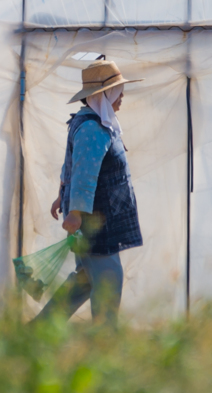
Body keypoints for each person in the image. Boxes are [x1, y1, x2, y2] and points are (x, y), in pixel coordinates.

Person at [32, 59, 144, 325]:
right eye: (117, 91)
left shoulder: (97, 125)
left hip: (95, 218)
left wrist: (63, 194)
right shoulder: (93, 128)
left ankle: (40, 329)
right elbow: (84, 172)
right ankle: (104, 341)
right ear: (102, 95)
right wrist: (75, 212)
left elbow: (72, 163)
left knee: (84, 280)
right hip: (94, 222)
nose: (122, 96)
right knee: (108, 279)